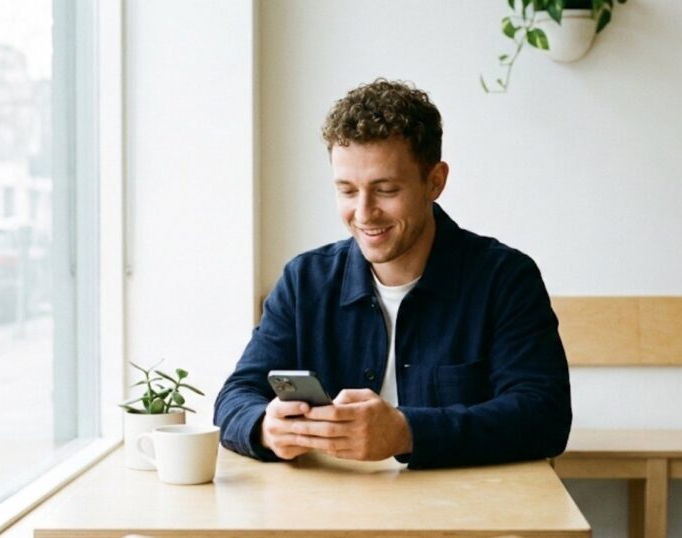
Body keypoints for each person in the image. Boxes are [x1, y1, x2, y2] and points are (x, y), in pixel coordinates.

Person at [213, 78, 571, 469]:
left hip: (463, 514)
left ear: (434, 181)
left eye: (385, 190)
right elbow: (236, 396)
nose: (364, 213)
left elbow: (544, 416)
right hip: (334, 512)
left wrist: (406, 430)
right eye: (347, 191)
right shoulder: (304, 281)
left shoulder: (505, 278)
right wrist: (267, 427)